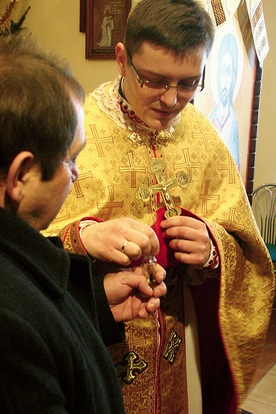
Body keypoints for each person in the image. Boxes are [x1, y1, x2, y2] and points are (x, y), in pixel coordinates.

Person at [45, 0, 275, 413]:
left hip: (176, 341)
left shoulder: (202, 135)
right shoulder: (75, 128)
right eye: (154, 80)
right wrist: (82, 236)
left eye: (189, 83)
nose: (172, 100)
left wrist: (212, 247)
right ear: (121, 60)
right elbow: (20, 240)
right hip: (93, 336)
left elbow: (246, 244)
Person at [0, 33, 167, 413]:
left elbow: (42, 314)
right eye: (70, 159)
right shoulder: (6, 328)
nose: (76, 174)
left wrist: (96, 303)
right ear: (21, 174)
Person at [209, 33, 240, 168]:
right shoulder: (208, 118)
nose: (225, 80)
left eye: (229, 71)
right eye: (223, 71)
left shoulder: (233, 122)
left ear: (233, 77)